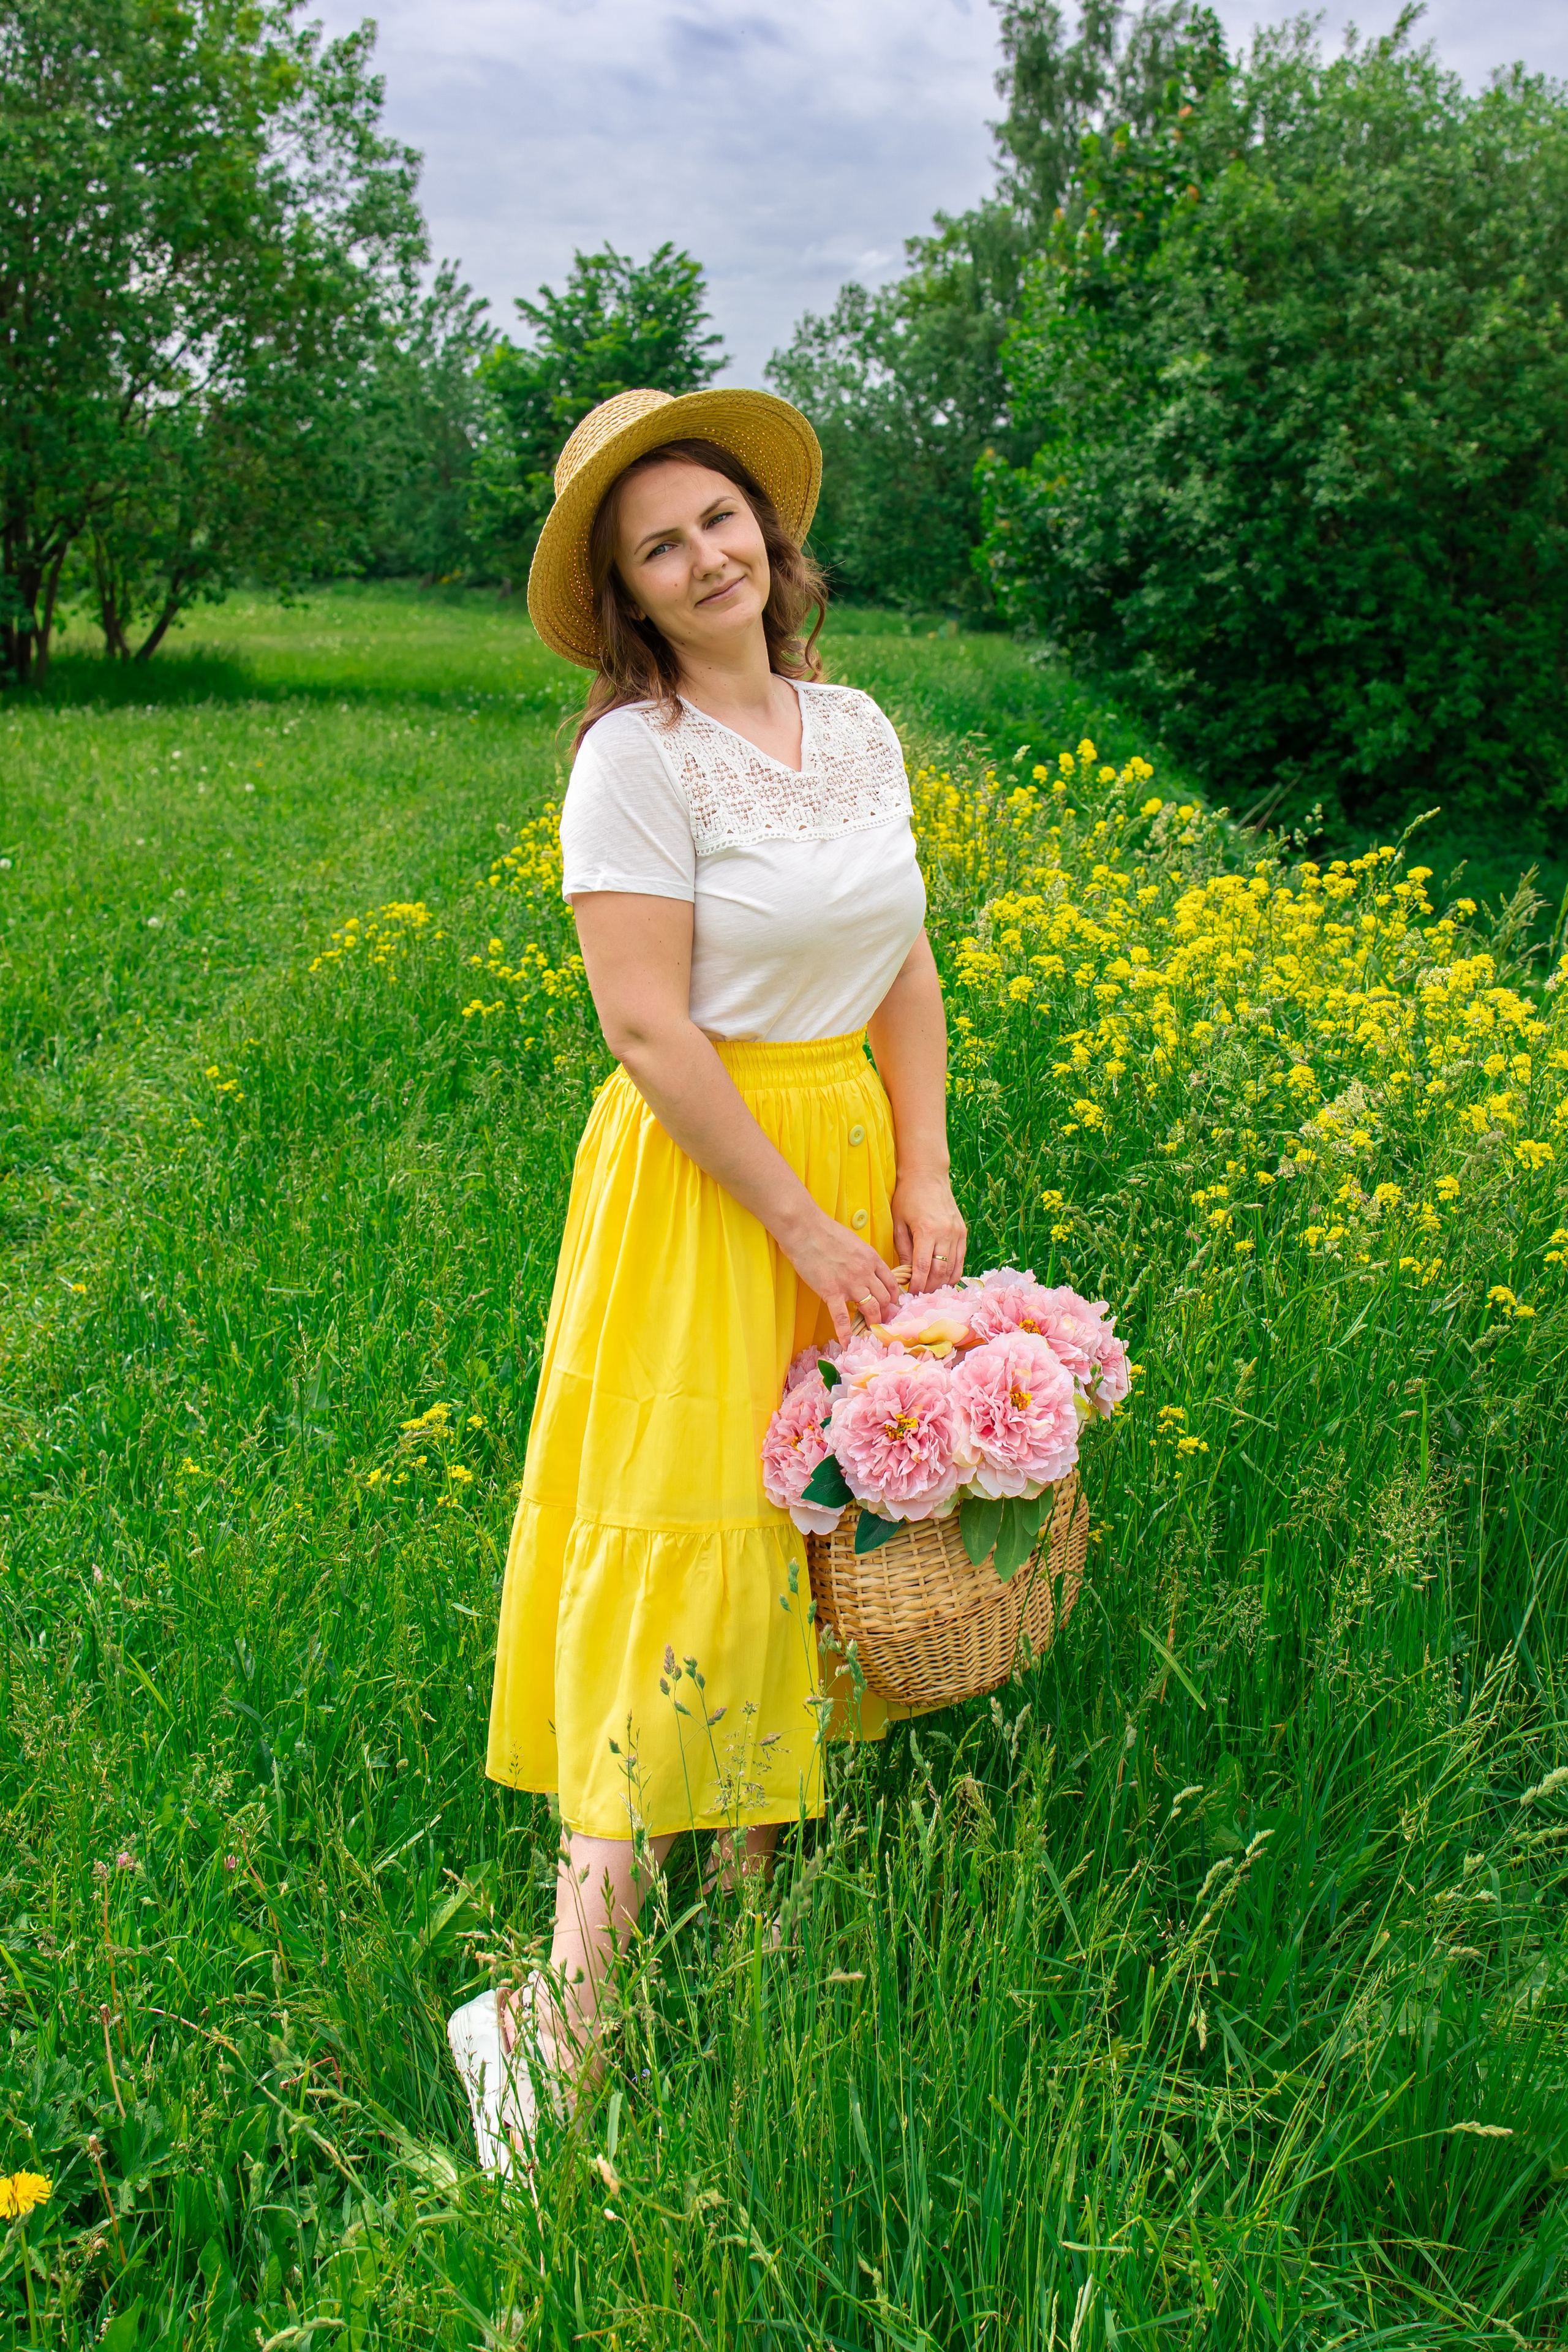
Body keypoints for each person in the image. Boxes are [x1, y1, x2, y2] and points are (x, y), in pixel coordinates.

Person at [447, 385, 966, 2173]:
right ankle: (555, 2021)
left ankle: (744, 1918)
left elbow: (903, 963)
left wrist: (920, 1176)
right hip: (705, 1182)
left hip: (843, 1154)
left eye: (720, 520)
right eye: (661, 547)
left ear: (769, 530)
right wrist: (801, 1228)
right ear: (633, 599)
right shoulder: (634, 760)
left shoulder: (858, 723)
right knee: (680, 1539)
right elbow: (646, 1027)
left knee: (816, 1540)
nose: (707, 558)